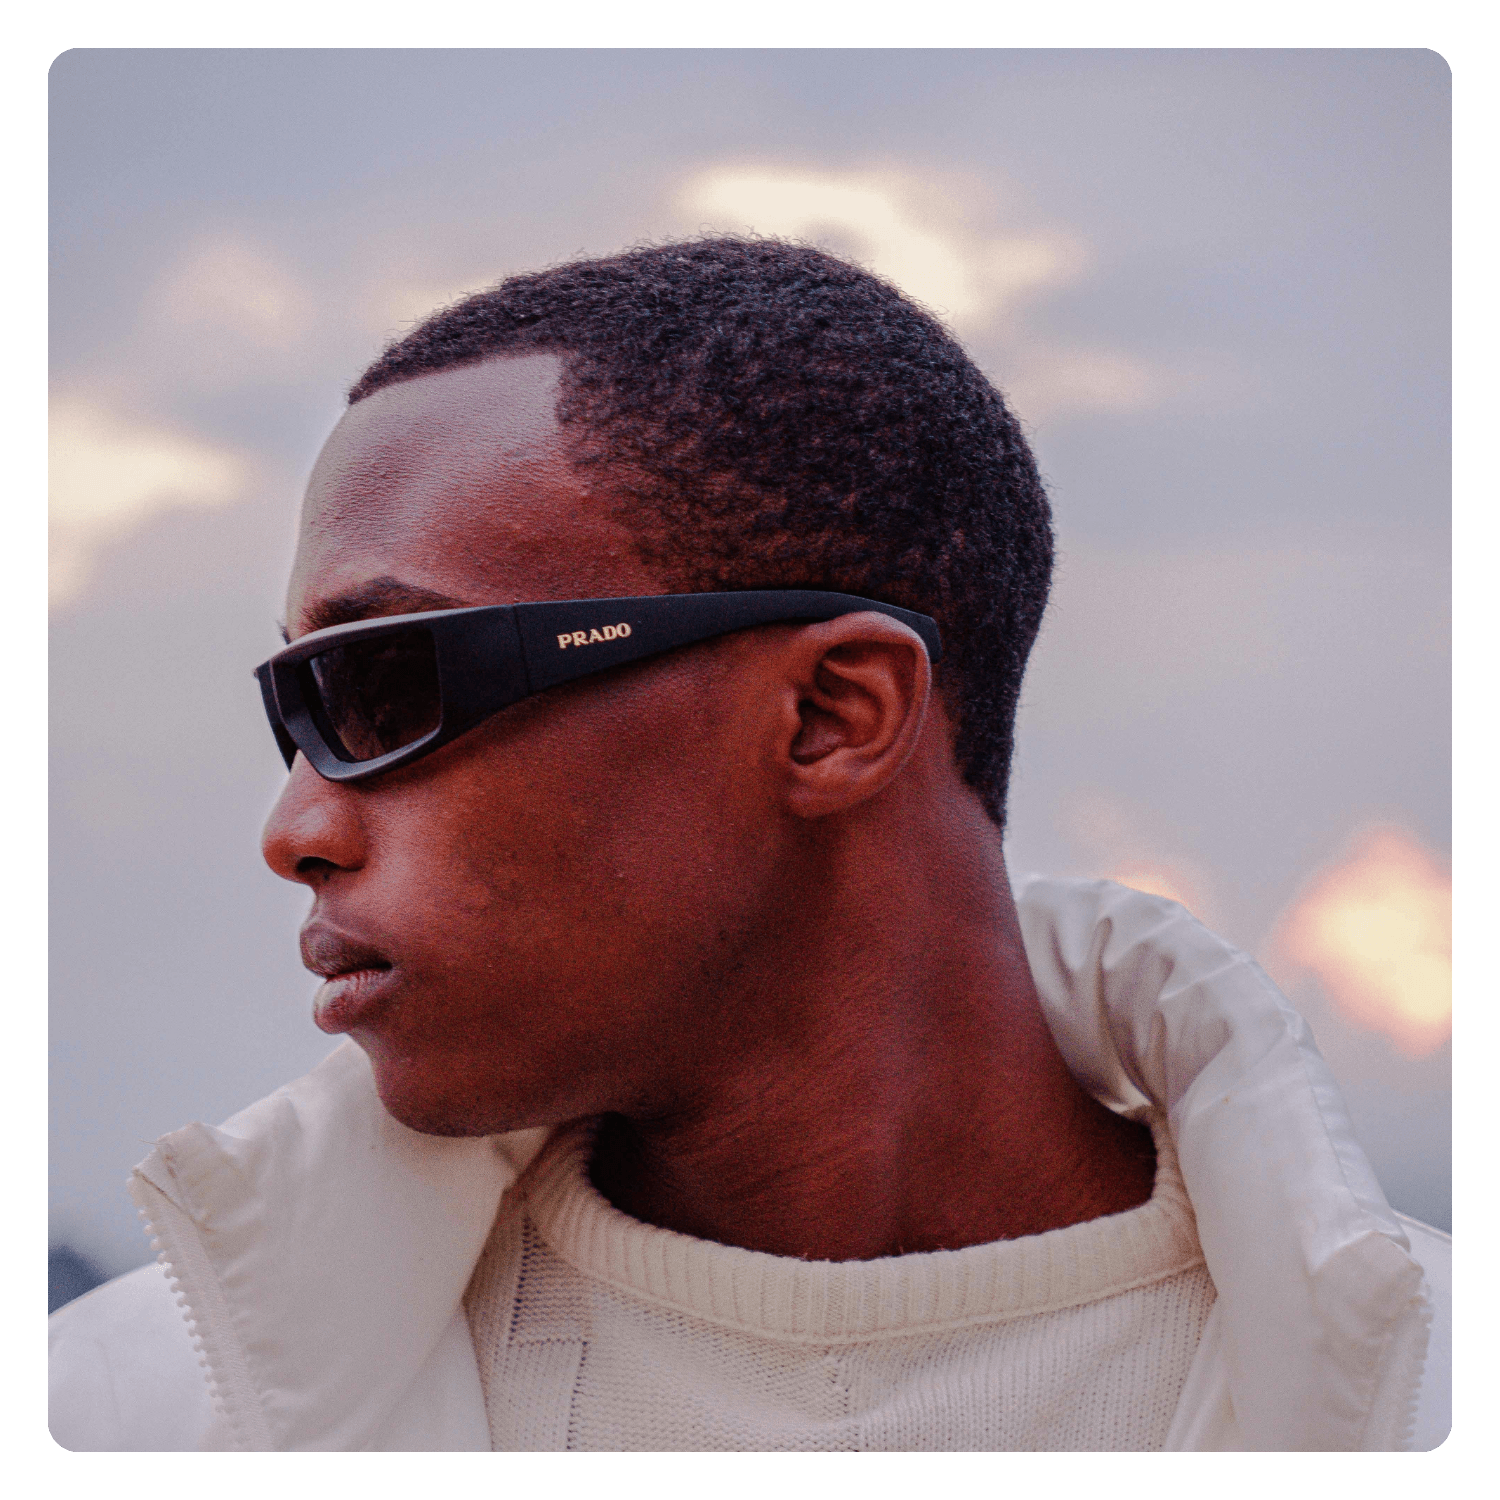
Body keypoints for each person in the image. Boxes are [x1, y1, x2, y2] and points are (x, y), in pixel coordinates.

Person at [48, 239, 1450, 1451]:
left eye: (383, 689)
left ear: (833, 717)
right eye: (291, 715)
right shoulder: (136, 1410)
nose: (295, 828)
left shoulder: (1410, 1391)